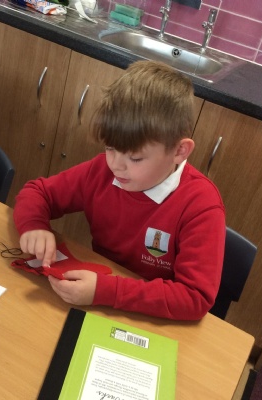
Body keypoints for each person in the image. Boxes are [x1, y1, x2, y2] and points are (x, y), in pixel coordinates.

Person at [13, 60, 226, 320]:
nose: (116, 165)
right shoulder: (102, 170)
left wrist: (106, 291)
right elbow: (37, 192)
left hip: (150, 317)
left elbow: (194, 297)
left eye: (135, 158)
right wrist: (34, 226)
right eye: (110, 148)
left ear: (179, 151)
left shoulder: (200, 204)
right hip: (98, 301)